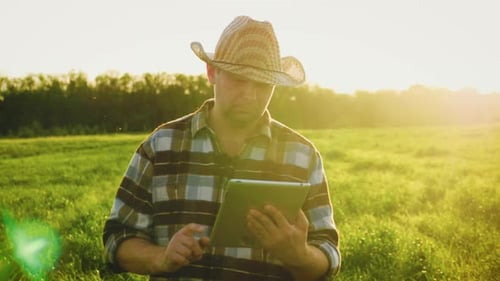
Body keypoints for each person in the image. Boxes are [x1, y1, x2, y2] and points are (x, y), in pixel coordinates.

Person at [103, 15, 340, 281]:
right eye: (238, 78)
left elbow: (328, 255)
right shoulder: (161, 145)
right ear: (212, 73)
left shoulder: (302, 156)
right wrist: (161, 257)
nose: (249, 94)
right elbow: (117, 239)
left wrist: (299, 255)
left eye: (262, 83)